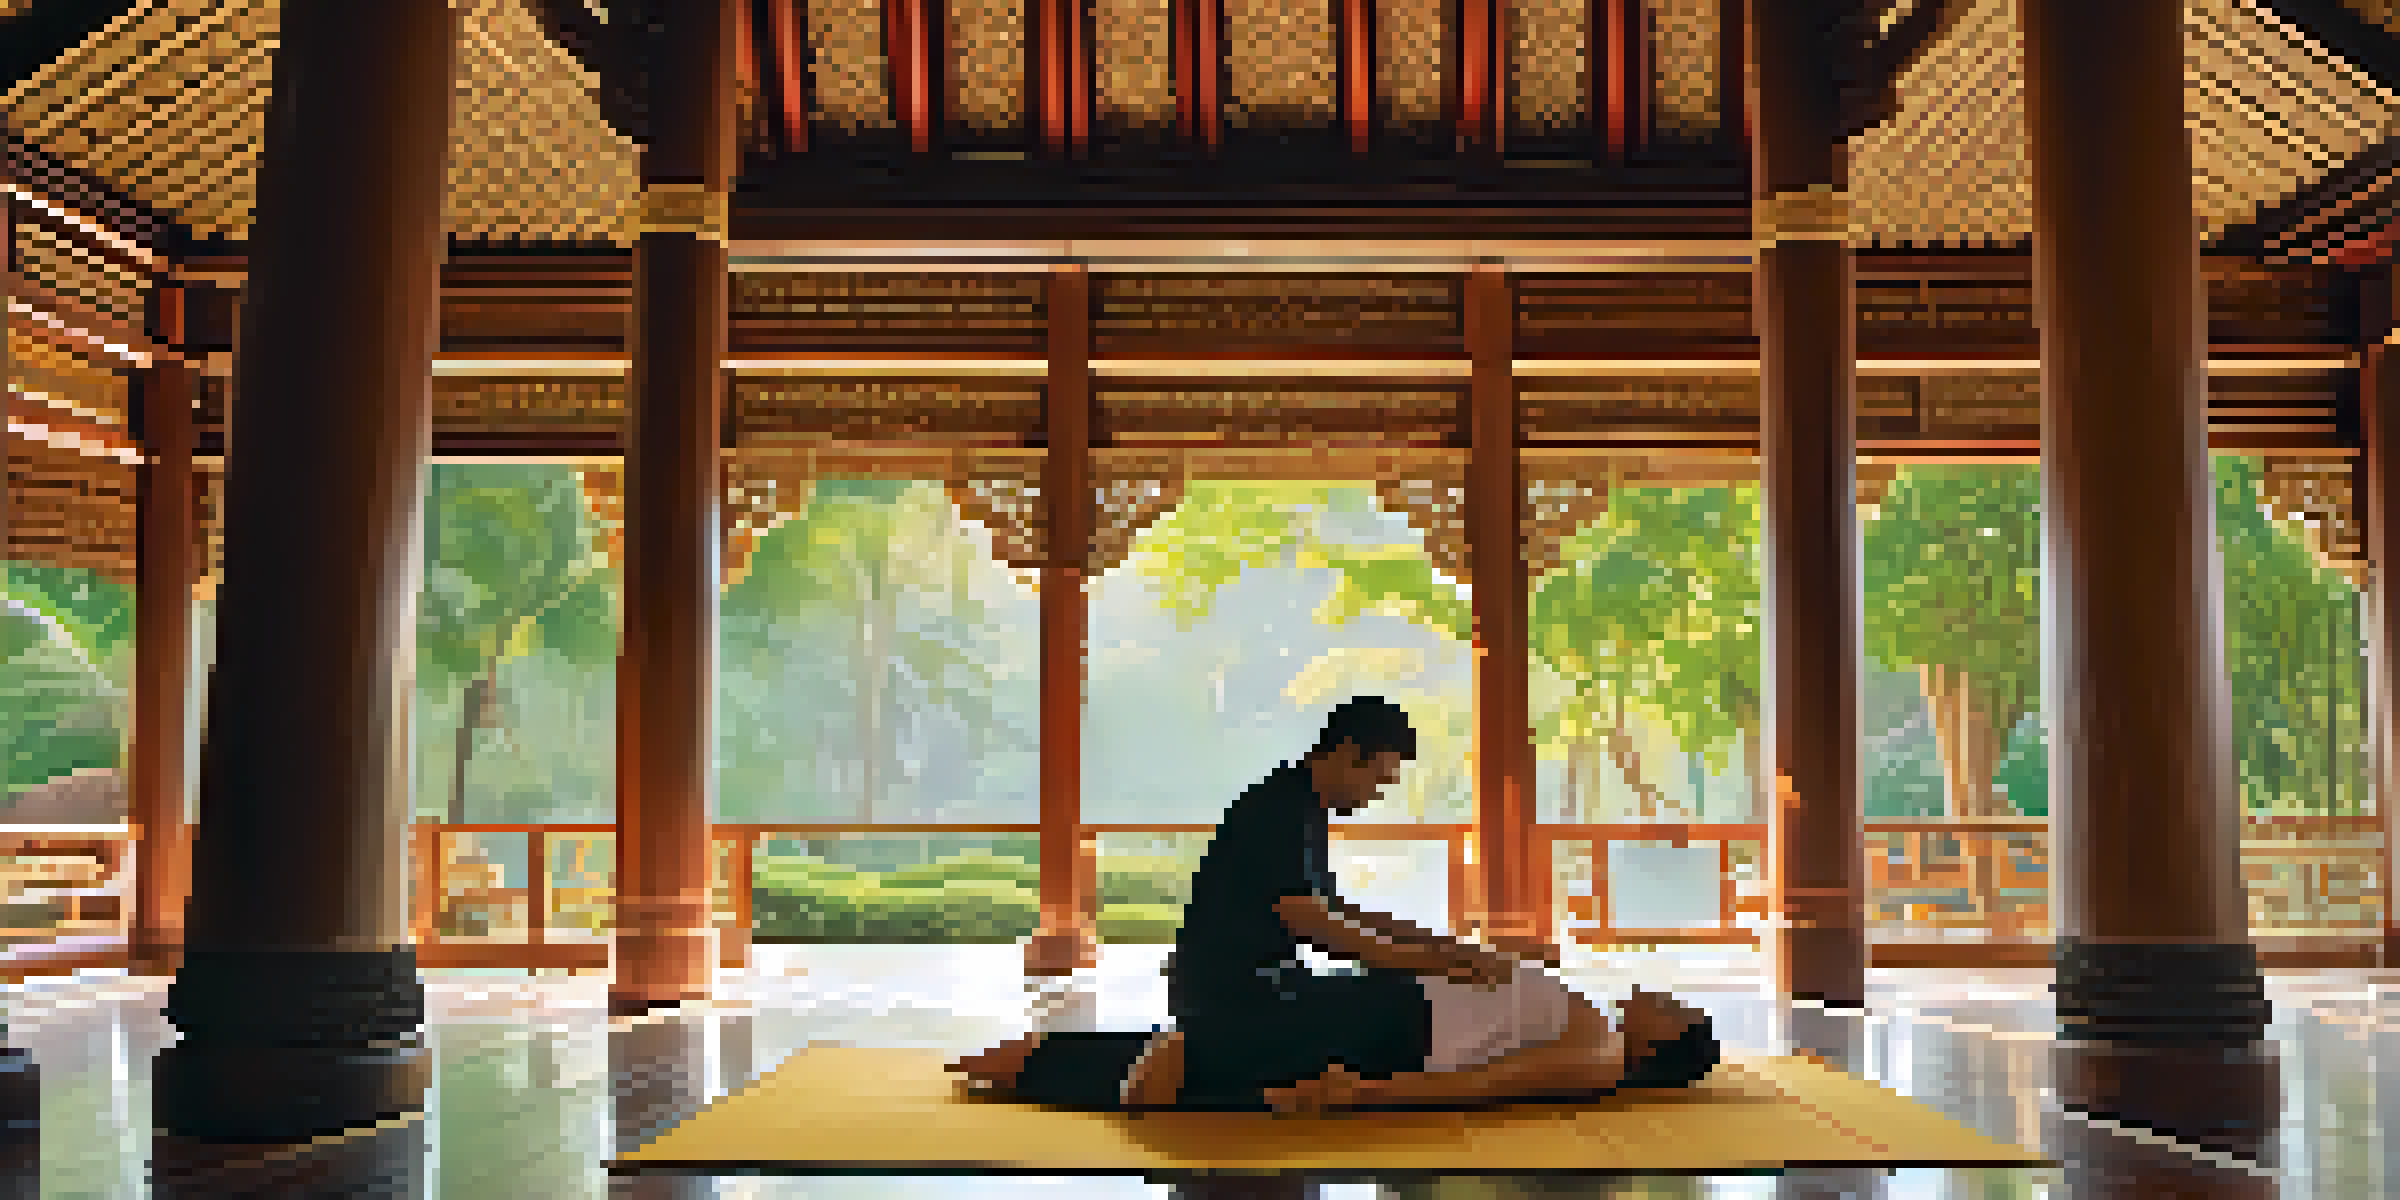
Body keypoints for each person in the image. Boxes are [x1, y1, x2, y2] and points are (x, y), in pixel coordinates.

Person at [944, 696, 1721, 1110]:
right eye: (1377, 777)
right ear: (1345, 753)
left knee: (1251, 1052)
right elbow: (1317, 923)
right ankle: (1059, 1067)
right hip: (1243, 985)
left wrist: (1445, 950)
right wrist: (1442, 958)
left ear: (1659, 1046)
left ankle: (1042, 1064)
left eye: (1676, 1010)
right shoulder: (1281, 807)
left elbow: (1347, 917)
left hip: (1366, 1013)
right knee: (1241, 1046)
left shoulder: (1600, 1051)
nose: (1377, 793)